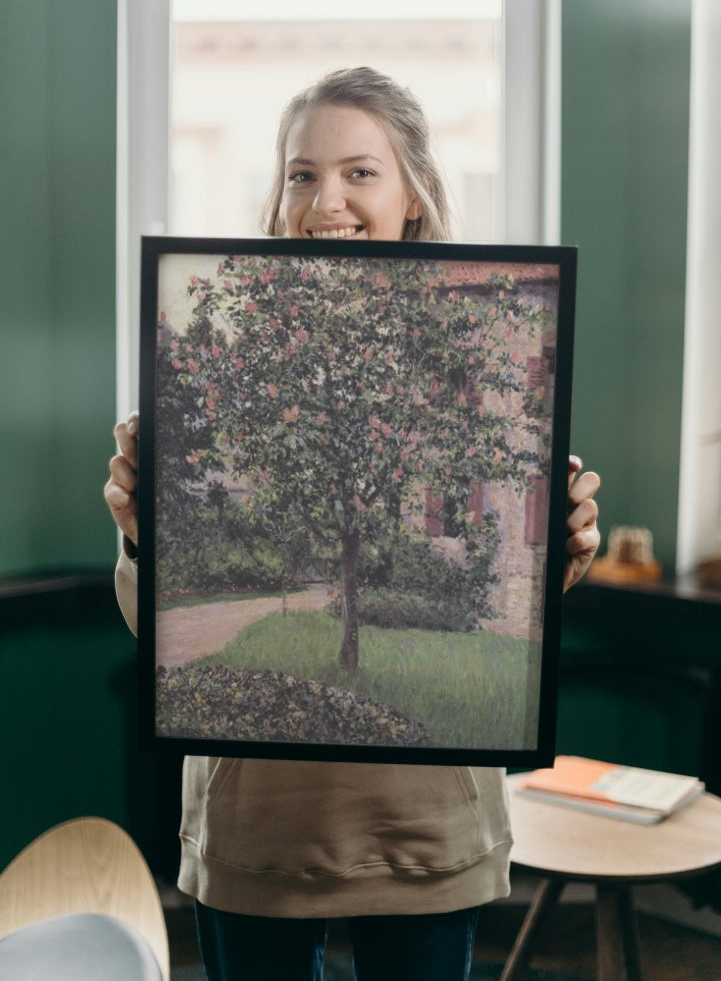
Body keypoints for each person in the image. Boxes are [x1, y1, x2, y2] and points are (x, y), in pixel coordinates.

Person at [105, 67, 601, 981]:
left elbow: (521, 623)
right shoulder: (220, 349)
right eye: (301, 173)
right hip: (257, 829)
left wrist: (565, 553)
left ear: (412, 193)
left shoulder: (477, 346)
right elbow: (160, 633)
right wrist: (145, 538)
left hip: (424, 828)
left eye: (359, 172)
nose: (324, 199)